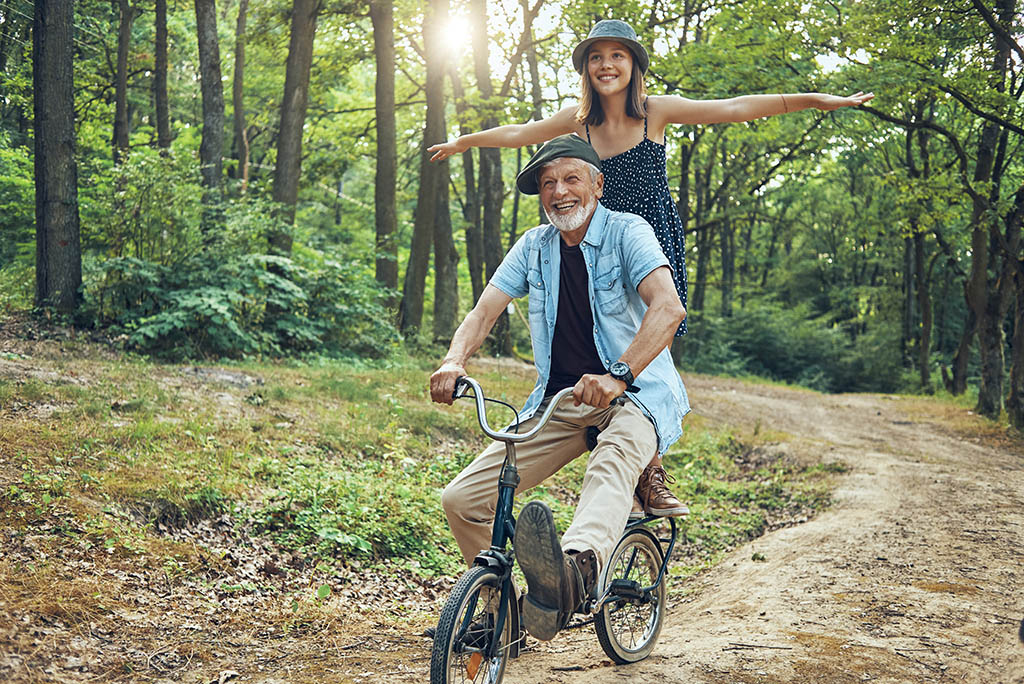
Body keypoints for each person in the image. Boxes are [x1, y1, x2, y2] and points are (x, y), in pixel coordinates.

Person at [429, 19, 873, 520]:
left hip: (645, 245)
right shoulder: (578, 123)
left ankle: (650, 471)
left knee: (645, 346)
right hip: (594, 244)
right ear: (586, 69)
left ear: (634, 65)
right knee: (599, 336)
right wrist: (465, 142)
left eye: (618, 56)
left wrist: (817, 99)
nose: (607, 65)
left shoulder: (653, 113)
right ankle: (622, 459)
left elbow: (733, 108)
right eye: (597, 57)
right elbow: (520, 134)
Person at [429, 134, 688, 641]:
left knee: (613, 461)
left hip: (633, 396)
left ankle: (573, 572)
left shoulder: (627, 232)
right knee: (462, 500)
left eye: (571, 178)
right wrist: (453, 360)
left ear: (597, 183)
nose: (559, 191)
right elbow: (484, 312)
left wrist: (619, 375)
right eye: (548, 183)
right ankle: (511, 613)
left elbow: (669, 308)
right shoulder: (534, 246)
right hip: (561, 402)